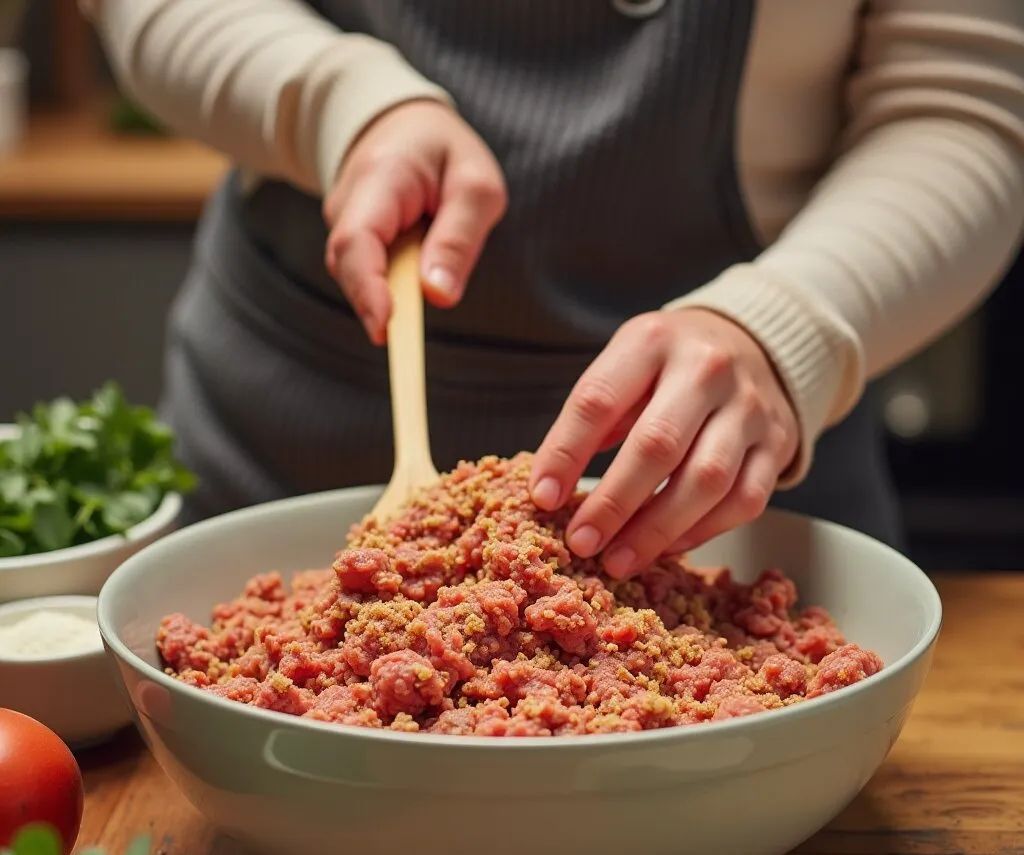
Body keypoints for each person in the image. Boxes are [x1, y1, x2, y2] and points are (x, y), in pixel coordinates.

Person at [86, 0, 1024, 577]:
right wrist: (342, 101)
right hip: (288, 433)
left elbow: (962, 105)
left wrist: (782, 332)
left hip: (735, 497)